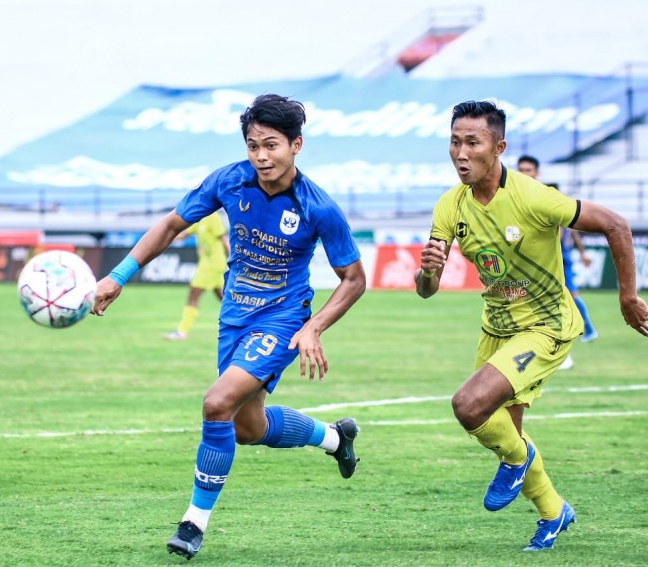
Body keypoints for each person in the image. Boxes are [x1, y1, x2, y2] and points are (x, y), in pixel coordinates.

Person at [95, 94, 367, 560]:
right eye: (253, 145)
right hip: (234, 316)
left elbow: (354, 279)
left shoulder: (318, 207)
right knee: (247, 426)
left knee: (216, 403)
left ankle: (192, 524)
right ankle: (335, 437)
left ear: (296, 145)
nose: (261, 156)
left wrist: (313, 327)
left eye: (272, 145)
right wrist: (118, 276)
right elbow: (169, 225)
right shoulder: (229, 181)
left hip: (283, 319)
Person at [417, 101, 648, 551]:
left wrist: (627, 298)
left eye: (472, 142)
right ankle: (553, 512)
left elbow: (617, 225)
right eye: (454, 142)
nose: (460, 153)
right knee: (506, 435)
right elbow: (426, 289)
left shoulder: (533, 196)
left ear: (498, 147)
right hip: (497, 327)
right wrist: (428, 271)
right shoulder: (450, 205)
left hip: (546, 326)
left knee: (468, 406)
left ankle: (519, 463)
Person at [516, 155, 598, 371]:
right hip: (531, 264)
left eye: (529, 170)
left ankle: (575, 339)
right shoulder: (514, 196)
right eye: (521, 169)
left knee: (564, 300)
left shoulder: (545, 196)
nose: (525, 174)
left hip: (557, 260)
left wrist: (579, 252)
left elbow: (568, 225)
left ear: (537, 173)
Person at [164, 210, 230, 340]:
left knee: (193, 295)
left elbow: (223, 240)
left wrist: (234, 260)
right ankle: (247, 322)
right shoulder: (199, 217)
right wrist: (164, 237)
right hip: (207, 264)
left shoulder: (214, 217)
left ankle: (182, 331)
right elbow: (183, 235)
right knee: (224, 299)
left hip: (212, 264)